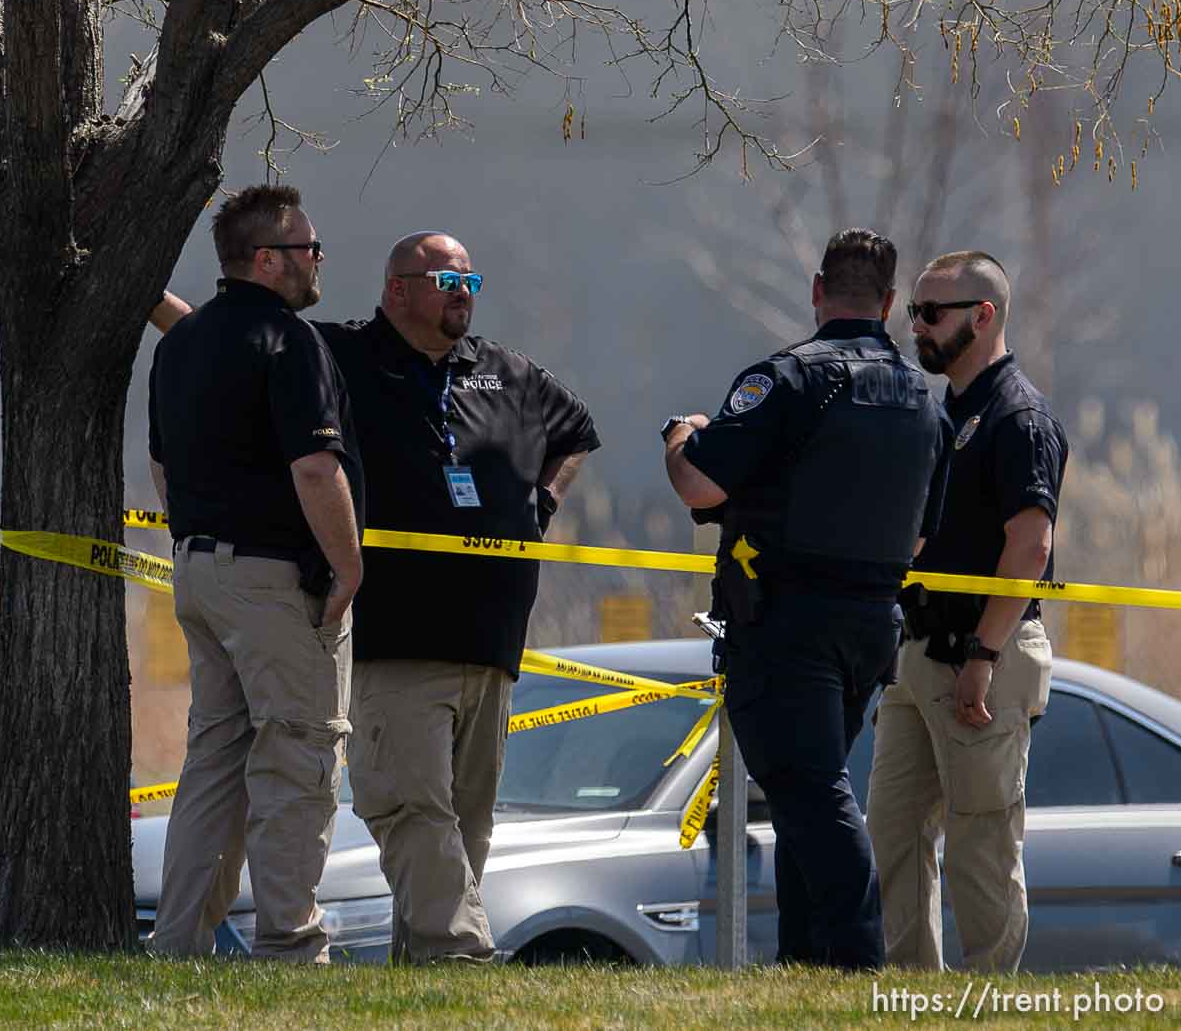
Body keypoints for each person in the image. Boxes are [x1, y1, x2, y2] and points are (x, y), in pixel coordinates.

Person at [154, 229, 599, 962]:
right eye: (447, 281)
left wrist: (541, 504)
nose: (464, 295)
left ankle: (425, 961)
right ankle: (455, 952)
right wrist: (146, 295)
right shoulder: (338, 355)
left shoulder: (506, 372)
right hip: (393, 634)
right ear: (397, 289)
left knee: (466, 821)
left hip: (490, 639)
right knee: (409, 803)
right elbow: (227, 339)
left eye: (471, 282)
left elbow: (577, 432)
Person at [662, 227, 950, 969]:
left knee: (809, 789)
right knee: (803, 793)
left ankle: (856, 959)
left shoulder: (785, 380)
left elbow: (700, 483)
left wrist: (680, 436)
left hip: (787, 622)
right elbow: (922, 539)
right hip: (869, 628)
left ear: (817, 290)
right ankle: (806, 964)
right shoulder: (924, 400)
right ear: (888, 304)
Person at [146, 183, 365, 963]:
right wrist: (346, 567)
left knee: (213, 763)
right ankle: (290, 947)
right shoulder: (288, 341)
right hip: (276, 584)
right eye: (308, 249)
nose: (318, 261)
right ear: (267, 260)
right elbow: (315, 468)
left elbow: (162, 467)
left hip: (199, 574)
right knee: (298, 758)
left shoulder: (182, 344)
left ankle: (178, 942)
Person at [868, 251, 1062, 971]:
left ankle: (987, 1003)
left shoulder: (1016, 417)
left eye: (930, 312)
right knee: (891, 830)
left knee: (981, 841)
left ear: (981, 317)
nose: (914, 325)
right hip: (918, 650)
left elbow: (1029, 545)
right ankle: (912, 993)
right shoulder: (942, 412)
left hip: (984, 654)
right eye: (911, 311)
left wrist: (983, 656)